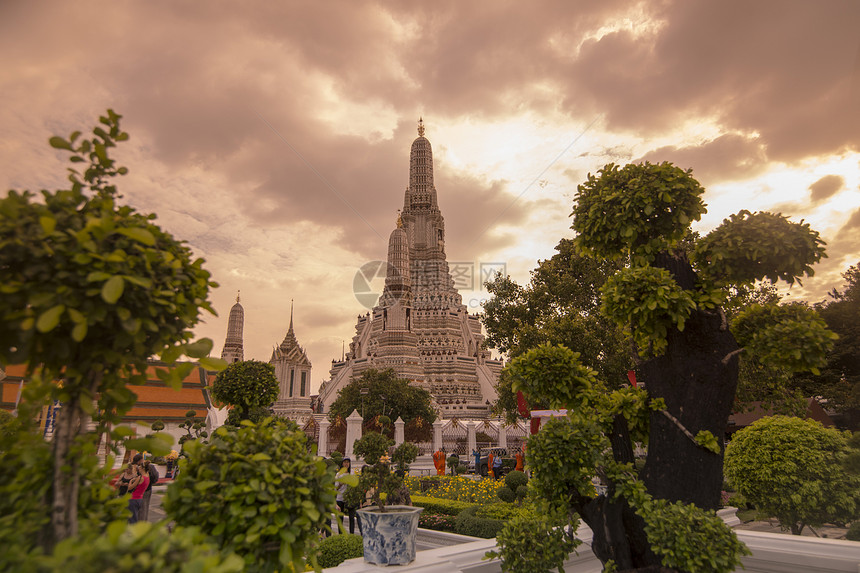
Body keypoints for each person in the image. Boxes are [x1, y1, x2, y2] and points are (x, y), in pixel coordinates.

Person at [336, 458, 361, 535]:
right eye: (345, 462)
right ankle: (341, 535)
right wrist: (341, 484)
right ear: (342, 464)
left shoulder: (352, 473)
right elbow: (335, 488)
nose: (346, 464)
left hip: (349, 498)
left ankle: (352, 534)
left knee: (351, 517)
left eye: (348, 462)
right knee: (340, 518)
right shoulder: (338, 474)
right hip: (340, 498)